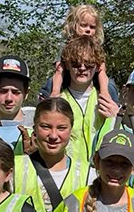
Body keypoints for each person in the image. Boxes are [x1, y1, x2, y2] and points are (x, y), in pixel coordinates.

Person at [44, 35, 119, 164]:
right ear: (66, 65)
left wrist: (116, 118)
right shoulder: (58, 100)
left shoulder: (106, 101)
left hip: (99, 174)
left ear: (97, 67)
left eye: (89, 64)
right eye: (76, 63)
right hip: (66, 173)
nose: (82, 68)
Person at [39, 3, 113, 100]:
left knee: (110, 85)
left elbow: (102, 70)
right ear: (74, 26)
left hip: (92, 77)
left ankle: (115, 105)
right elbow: (59, 70)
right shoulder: (66, 45)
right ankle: (46, 100)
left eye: (92, 27)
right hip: (67, 76)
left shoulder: (96, 46)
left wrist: (104, 92)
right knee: (50, 82)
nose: (88, 30)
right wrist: (55, 91)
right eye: (83, 25)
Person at [0, 55, 34, 156]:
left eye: (15, 92)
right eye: (3, 91)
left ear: (26, 93)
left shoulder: (37, 132)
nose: (9, 98)